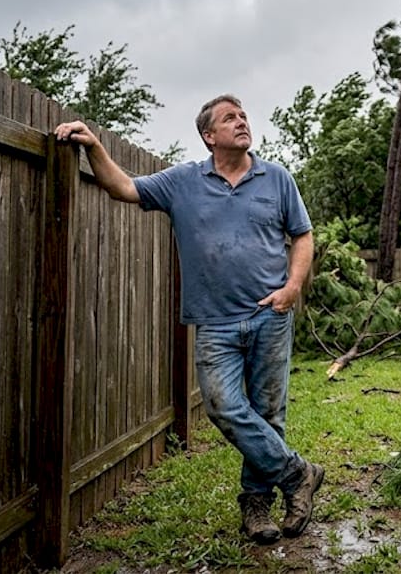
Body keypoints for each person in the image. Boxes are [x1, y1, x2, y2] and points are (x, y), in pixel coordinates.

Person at [53, 94, 322, 545]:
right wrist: (94, 147)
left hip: (269, 315)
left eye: (243, 115)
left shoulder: (276, 179)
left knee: (268, 413)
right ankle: (299, 475)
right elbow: (124, 188)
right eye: (229, 118)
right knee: (223, 406)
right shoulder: (183, 182)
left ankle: (256, 507)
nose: (241, 122)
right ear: (208, 135)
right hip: (214, 322)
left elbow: (302, 235)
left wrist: (292, 288)